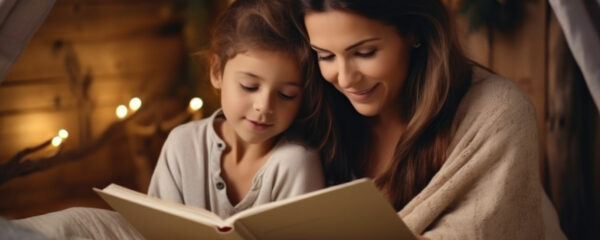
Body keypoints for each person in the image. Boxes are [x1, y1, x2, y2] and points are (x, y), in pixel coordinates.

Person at [12, 0, 325, 238]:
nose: (264, 106)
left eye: (286, 95)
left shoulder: (296, 163)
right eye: (249, 86)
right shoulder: (182, 143)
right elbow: (156, 230)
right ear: (217, 71)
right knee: (70, 223)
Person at [297, 0, 567, 239]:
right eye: (326, 56)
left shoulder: (497, 111)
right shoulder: (315, 106)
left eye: (364, 53)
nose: (344, 79)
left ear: (413, 31)